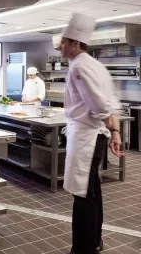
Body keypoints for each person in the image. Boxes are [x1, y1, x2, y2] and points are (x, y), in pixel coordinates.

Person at [60, 13, 123, 254]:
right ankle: (94, 242)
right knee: (92, 190)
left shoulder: (80, 67)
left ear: (75, 43)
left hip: (86, 137)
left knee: (82, 193)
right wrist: (114, 131)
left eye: (64, 42)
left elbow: (100, 106)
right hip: (95, 134)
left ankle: (83, 248)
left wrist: (112, 128)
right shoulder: (94, 64)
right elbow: (110, 102)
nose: (61, 46)